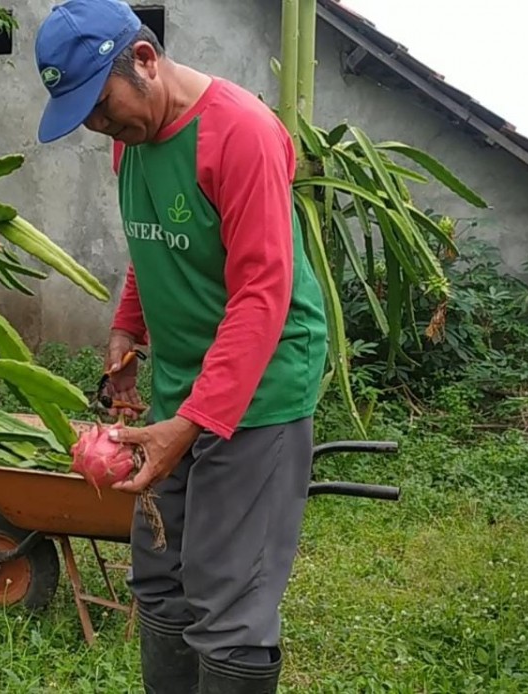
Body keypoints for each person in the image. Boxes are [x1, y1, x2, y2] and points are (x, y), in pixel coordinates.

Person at [32, 1, 330, 692]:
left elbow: (263, 293)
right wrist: (126, 326)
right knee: (161, 580)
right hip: (180, 391)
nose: (100, 127)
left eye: (101, 107)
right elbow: (152, 243)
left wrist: (191, 424)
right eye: (87, 118)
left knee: (228, 604)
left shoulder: (241, 134)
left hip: (259, 391)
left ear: (143, 60)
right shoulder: (131, 137)